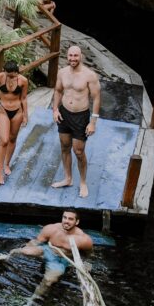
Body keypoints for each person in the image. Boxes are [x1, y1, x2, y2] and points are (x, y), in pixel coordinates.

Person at [0, 208, 93, 306]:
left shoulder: (83, 240)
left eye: (70, 219)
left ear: (77, 222)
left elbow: (88, 254)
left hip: (61, 260)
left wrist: (85, 264)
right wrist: (27, 248)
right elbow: (36, 242)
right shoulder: (51, 229)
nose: (66, 221)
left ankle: (30, 301)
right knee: (26, 251)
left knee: (49, 280)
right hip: (47, 250)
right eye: (65, 217)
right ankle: (8, 255)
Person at [51, 45, 101, 199]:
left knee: (78, 151)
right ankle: (67, 178)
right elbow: (58, 91)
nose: (73, 59)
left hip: (80, 116)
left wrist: (93, 122)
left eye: (76, 56)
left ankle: (83, 182)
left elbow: (97, 98)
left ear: (81, 57)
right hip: (64, 113)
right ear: (67, 56)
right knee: (65, 146)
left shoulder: (89, 75)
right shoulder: (62, 73)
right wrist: (55, 109)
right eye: (70, 56)